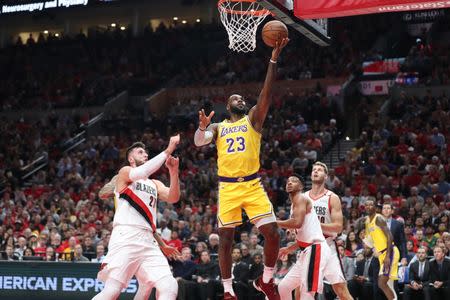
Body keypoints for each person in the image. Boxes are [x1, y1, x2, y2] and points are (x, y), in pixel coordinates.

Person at [194, 38, 289, 300]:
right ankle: (227, 291)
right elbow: (198, 143)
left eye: (242, 98)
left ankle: (267, 280)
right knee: (225, 239)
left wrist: (273, 60)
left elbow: (266, 94)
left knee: (272, 232)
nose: (241, 99)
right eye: (235, 97)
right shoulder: (219, 127)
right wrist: (202, 128)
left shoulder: (253, 120)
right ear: (227, 106)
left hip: (252, 184)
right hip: (228, 187)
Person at [93, 135, 181, 300]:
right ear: (131, 158)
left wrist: (173, 172)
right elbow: (142, 171)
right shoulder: (125, 172)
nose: (145, 154)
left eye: (146, 153)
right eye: (141, 152)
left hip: (148, 240)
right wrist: (168, 150)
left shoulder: (155, 184)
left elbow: (173, 197)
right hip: (126, 236)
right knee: (112, 291)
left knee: (169, 285)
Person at [276, 174, 332, 300]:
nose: (289, 183)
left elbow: (297, 223)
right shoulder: (293, 206)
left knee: (306, 293)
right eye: (288, 182)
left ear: (301, 186)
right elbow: (306, 234)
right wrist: (289, 249)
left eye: (294, 181)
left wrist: (275, 222)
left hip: (316, 248)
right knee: (283, 287)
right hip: (306, 250)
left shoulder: (301, 198)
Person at [303, 161, 353, 300]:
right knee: (302, 289)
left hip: (327, 246)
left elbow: (338, 227)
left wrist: (315, 224)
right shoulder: (303, 197)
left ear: (326, 176)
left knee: (341, 289)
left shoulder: (332, 198)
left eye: (319, 170)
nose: (316, 171)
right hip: (308, 247)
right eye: (314, 169)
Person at [363, 199, 400, 300]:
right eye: (366, 205)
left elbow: (390, 236)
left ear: (375, 207)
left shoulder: (378, 218)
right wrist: (361, 237)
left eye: (371, 205)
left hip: (390, 251)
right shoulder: (367, 221)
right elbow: (369, 243)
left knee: (381, 282)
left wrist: (388, 256)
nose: (368, 207)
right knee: (388, 284)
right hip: (381, 254)